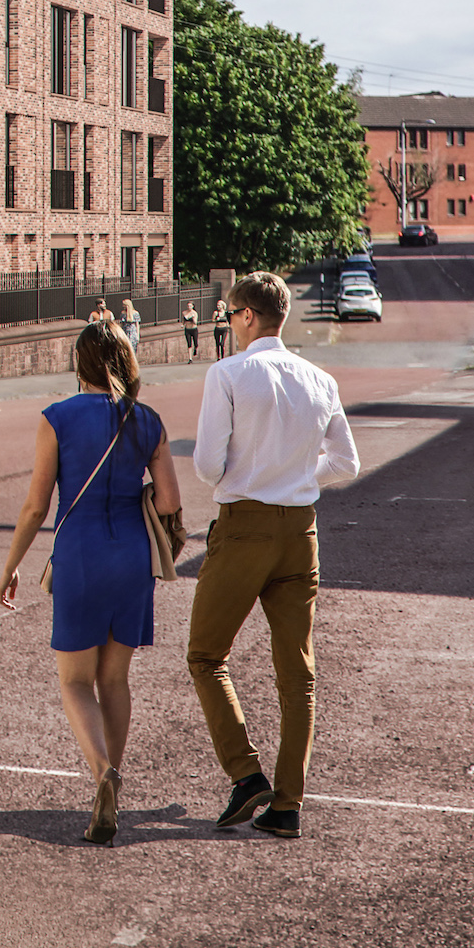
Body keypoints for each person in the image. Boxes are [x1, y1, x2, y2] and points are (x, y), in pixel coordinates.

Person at [186, 272, 360, 839]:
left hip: (244, 527)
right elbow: (347, 463)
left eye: (229, 314)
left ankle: (245, 774)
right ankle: (288, 803)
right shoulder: (320, 378)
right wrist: (295, 472)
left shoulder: (229, 373)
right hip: (301, 529)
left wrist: (256, 472)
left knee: (207, 656)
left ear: (245, 316)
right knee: (298, 676)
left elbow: (208, 465)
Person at [0, 323, 186, 845]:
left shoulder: (56, 418)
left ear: (78, 364)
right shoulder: (147, 420)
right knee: (116, 681)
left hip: (79, 555)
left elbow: (37, 505)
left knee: (75, 682)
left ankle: (102, 771)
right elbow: (169, 502)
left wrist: (12, 564)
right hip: (131, 556)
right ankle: (113, 789)